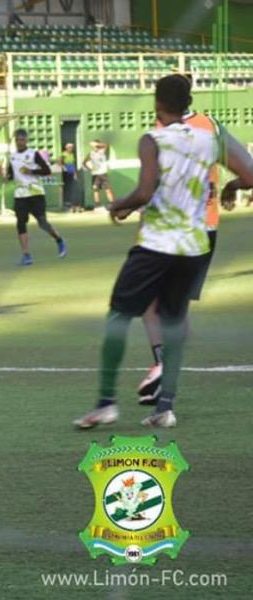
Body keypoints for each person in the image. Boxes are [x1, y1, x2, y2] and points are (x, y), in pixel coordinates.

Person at [74, 74, 253, 430]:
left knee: (118, 315)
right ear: (188, 103)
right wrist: (231, 187)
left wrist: (118, 207)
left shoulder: (152, 139)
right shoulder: (210, 138)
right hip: (196, 245)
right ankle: (164, 408)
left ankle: (106, 403)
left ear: (157, 104)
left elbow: (144, 191)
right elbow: (249, 175)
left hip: (157, 243)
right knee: (173, 322)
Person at [135, 109, 227, 404]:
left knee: (148, 301)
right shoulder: (209, 125)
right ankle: (166, 391)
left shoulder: (162, 129)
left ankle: (163, 366)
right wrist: (234, 187)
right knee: (177, 307)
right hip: (207, 227)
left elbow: (157, 182)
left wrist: (133, 208)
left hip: (175, 228)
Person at [5, 129, 67, 265]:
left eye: (22, 139)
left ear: (26, 140)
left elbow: (47, 170)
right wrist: (5, 176)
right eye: (17, 140)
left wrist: (31, 171)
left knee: (42, 223)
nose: (20, 142)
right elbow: (10, 175)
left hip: (36, 193)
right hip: (20, 195)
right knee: (20, 223)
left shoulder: (34, 154)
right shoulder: (12, 157)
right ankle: (26, 255)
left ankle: (59, 240)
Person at [84, 140, 115, 210]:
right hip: (95, 174)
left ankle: (112, 204)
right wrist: (90, 169)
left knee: (108, 189)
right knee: (95, 189)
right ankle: (98, 205)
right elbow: (84, 162)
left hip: (103, 173)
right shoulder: (90, 154)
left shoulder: (102, 151)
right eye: (94, 146)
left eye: (96, 146)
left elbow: (107, 144)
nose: (95, 147)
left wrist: (97, 144)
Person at [59, 143, 80, 212]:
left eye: (72, 147)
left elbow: (73, 164)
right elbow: (59, 162)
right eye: (69, 147)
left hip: (71, 172)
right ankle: (66, 203)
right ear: (66, 148)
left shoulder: (72, 154)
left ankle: (72, 203)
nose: (71, 148)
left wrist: (75, 173)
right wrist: (64, 168)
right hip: (66, 173)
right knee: (66, 187)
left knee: (71, 187)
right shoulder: (63, 154)